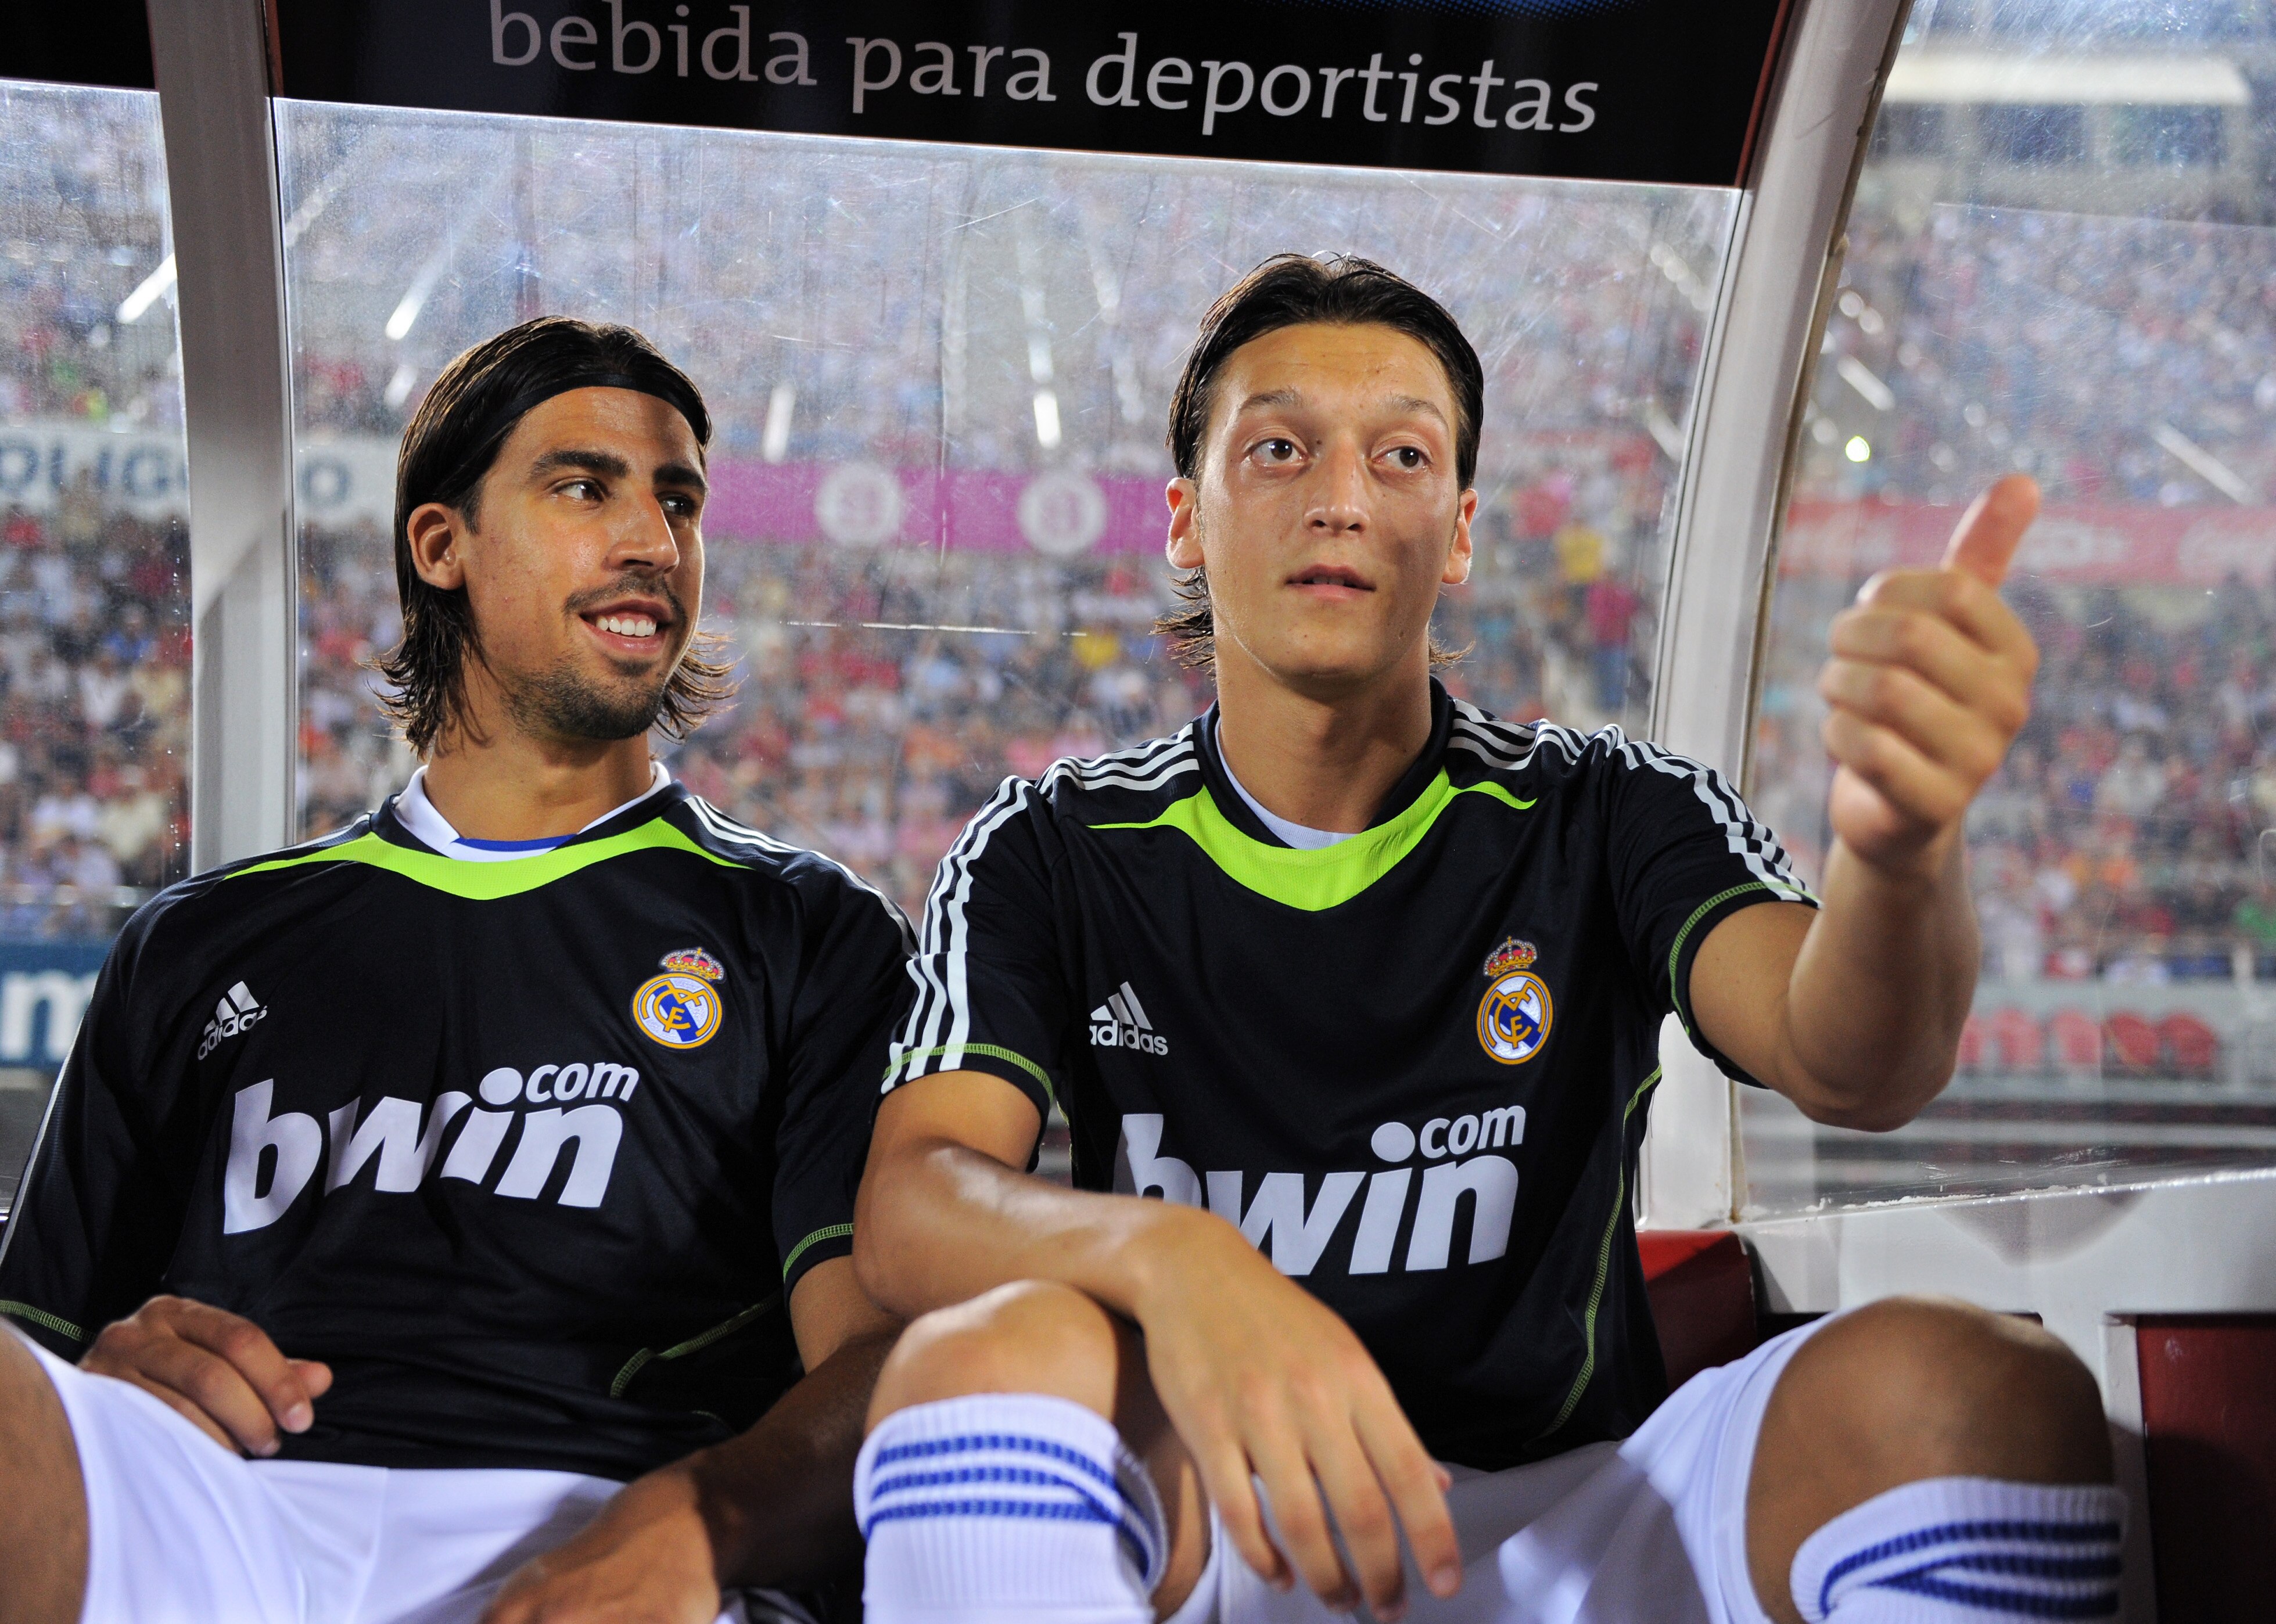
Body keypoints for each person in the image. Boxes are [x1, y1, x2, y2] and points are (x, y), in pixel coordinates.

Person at [848, 257, 2119, 1624]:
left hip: (1576, 1510)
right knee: (979, 1363)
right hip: (1227, 1510)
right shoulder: (1052, 843)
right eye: (1278, 448)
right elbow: (914, 1202)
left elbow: (1858, 1062)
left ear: (1457, 534)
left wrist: (1901, 847)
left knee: (1980, 1388)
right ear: (1185, 520)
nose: (1341, 496)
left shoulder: (1610, 805)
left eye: (1401, 456)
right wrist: (1178, 1259)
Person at [0, 318, 911, 1624]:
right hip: (215, 1506)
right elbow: (35, 1346)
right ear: (443, 547)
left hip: (601, 1521)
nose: (654, 539)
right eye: (585, 486)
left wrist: (697, 1524)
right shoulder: (196, 944)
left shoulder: (808, 930)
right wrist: (102, 1368)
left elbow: (881, 1359)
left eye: (680, 500)